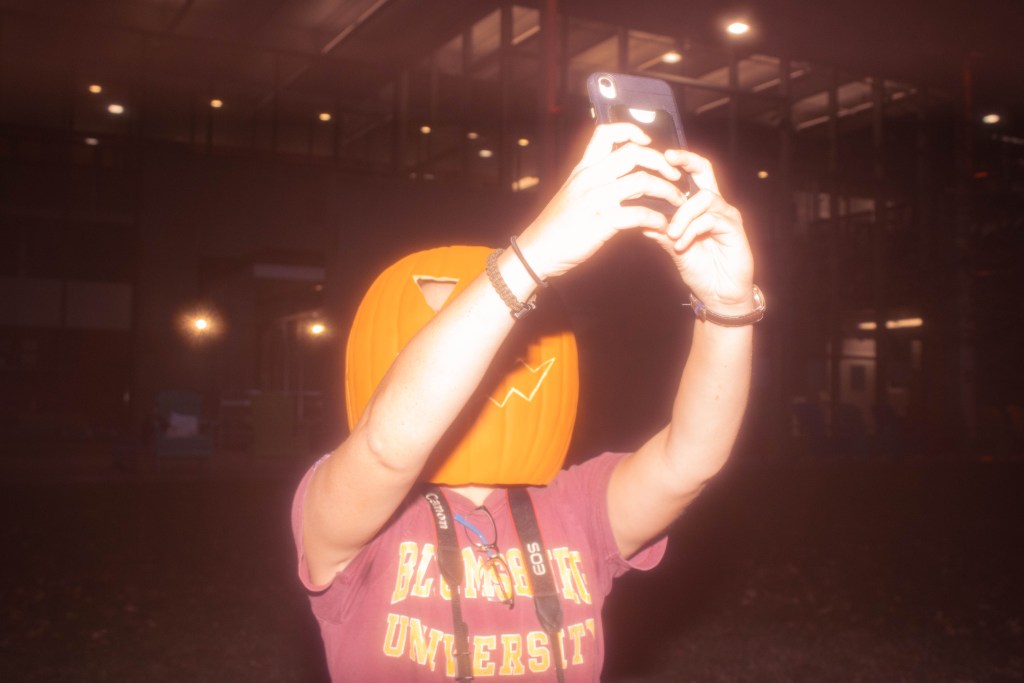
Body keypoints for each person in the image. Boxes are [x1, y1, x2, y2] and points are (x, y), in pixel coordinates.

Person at [291, 122, 760, 681]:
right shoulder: (351, 512)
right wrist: (531, 259)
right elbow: (386, 447)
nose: (490, 355)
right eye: (460, 330)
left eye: (515, 328)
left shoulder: (577, 507)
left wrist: (729, 307)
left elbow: (692, 460)